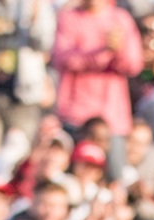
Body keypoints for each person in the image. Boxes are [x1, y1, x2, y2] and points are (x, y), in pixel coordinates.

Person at [51, 0, 141, 138]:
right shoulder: (69, 18)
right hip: (75, 115)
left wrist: (118, 50)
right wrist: (104, 53)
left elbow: (134, 65)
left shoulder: (121, 18)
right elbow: (62, 59)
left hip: (112, 117)